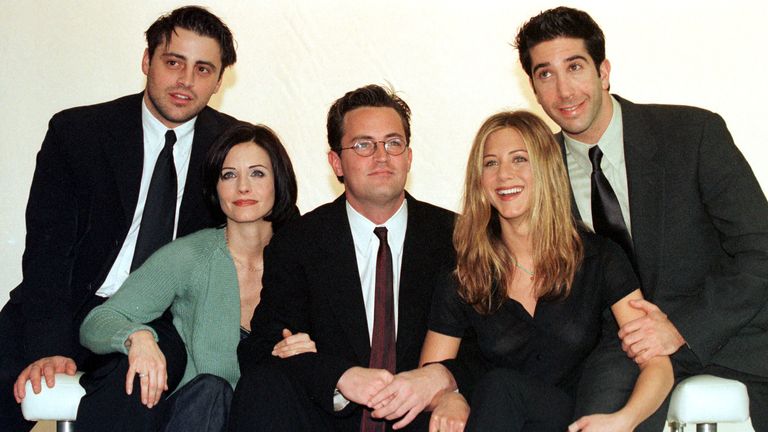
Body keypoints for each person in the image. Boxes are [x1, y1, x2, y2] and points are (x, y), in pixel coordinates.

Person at [514, 6, 768, 431]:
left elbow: (760, 250)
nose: (563, 89)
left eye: (574, 66)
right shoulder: (538, 173)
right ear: (534, 91)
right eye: (545, 74)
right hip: (618, 353)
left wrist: (681, 329)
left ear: (604, 71)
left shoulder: (693, 134)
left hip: (725, 339)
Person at [2, 6, 238, 430]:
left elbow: (276, 236)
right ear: (147, 61)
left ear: (220, 81)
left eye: (203, 69)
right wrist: (52, 346)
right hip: (64, 304)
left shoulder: (234, 148)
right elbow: (47, 251)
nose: (186, 81)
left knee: (140, 392)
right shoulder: (78, 133)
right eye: (173, 62)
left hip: (157, 318)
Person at [422, 111, 672, 432]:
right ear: (479, 181)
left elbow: (657, 365)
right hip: (496, 418)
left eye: (519, 159)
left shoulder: (599, 257)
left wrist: (623, 421)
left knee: (502, 387)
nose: (504, 175)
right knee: (498, 390)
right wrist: (450, 396)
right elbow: (430, 373)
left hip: (569, 420)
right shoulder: (464, 272)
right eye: (491, 163)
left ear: (546, 169)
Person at [229, 84, 457, 432]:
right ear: (336, 162)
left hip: (428, 419)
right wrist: (339, 376)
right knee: (263, 386)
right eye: (364, 145)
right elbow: (261, 347)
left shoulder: (457, 237)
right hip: (330, 419)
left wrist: (445, 379)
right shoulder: (299, 241)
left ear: (408, 157)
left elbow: (493, 346)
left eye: (393, 143)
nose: (382, 156)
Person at [76, 122, 308, 431]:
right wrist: (138, 338)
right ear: (216, 187)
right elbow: (98, 321)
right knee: (212, 390)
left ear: (279, 181)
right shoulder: (189, 256)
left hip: (269, 419)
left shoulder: (305, 259)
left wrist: (310, 351)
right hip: (195, 418)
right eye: (229, 175)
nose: (243, 187)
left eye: (257, 173)